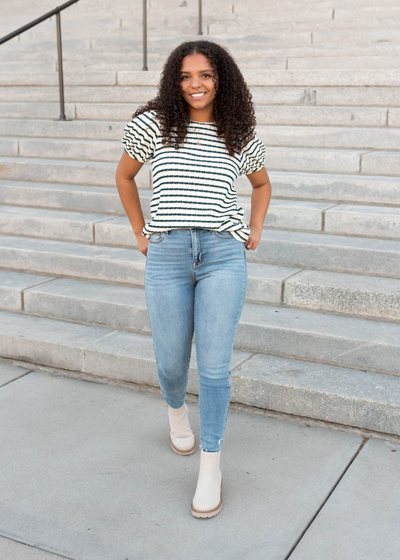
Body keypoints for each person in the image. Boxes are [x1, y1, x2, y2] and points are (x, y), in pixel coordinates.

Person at [115, 39, 271, 519]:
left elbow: (262, 184)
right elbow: (123, 177)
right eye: (185, 76)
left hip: (223, 255)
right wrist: (141, 231)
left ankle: (211, 465)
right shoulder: (153, 124)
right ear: (173, 80)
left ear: (221, 78)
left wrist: (256, 227)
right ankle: (176, 413)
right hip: (168, 255)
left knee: (216, 367)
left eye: (205, 75)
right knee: (169, 364)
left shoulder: (238, 129)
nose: (195, 84)